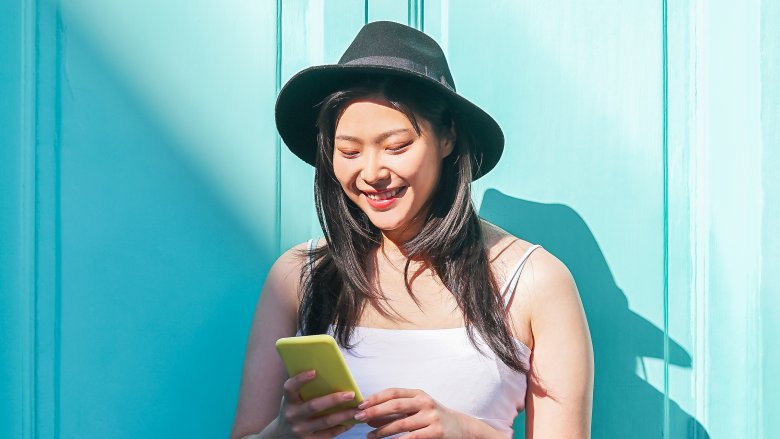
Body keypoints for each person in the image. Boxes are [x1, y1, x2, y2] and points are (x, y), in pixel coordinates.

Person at [231, 21, 593, 439]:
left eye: (397, 146)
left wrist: (465, 432)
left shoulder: (534, 281)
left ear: (447, 138)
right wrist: (284, 433)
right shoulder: (298, 276)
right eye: (348, 151)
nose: (370, 173)